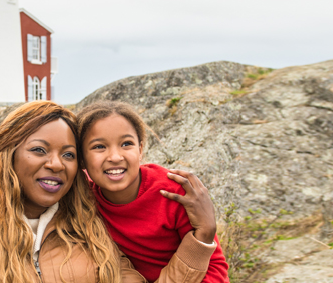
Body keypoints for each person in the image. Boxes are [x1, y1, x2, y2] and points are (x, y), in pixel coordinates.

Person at [0, 100, 145, 283]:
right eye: (39, 150)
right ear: (9, 154)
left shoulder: (89, 220)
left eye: (68, 154)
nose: (56, 164)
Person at [76, 101, 229, 282]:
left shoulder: (175, 193)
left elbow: (214, 268)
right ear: (82, 159)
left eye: (126, 144)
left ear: (140, 150)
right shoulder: (83, 198)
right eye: (99, 147)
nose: (115, 157)